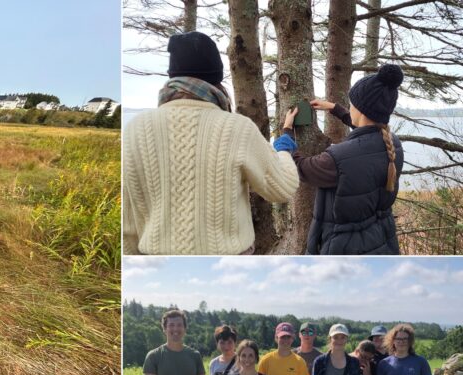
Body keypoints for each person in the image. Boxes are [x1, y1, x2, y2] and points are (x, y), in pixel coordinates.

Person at [122, 31, 299, 255]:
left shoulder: (134, 129)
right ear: (217, 77)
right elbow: (282, 188)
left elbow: (128, 221)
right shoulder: (236, 127)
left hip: (156, 262)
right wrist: (284, 147)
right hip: (228, 260)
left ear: (172, 75)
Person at [278, 64, 405, 255]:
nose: (350, 107)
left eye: (351, 103)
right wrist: (335, 109)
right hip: (383, 240)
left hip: (344, 247)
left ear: (361, 110)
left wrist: (286, 133)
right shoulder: (393, 144)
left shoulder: (338, 159)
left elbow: (297, 167)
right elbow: (366, 130)